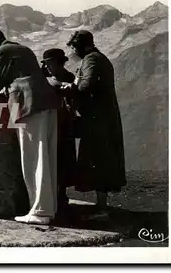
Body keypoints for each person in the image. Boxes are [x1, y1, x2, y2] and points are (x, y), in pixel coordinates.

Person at [0, 26, 59, 225]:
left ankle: (40, 211)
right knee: (46, 156)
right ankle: (47, 208)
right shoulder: (22, 49)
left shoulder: (2, 51)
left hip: (28, 104)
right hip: (47, 102)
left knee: (33, 157)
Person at [61, 30, 126, 212]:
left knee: (98, 158)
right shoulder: (99, 58)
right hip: (104, 116)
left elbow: (86, 84)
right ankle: (101, 204)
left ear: (85, 45)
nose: (74, 50)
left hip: (97, 119)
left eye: (75, 46)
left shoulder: (91, 59)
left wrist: (71, 87)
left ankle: (101, 208)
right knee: (102, 159)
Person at [40, 48, 78, 211]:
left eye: (49, 63)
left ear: (57, 63)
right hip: (51, 121)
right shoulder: (49, 79)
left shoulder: (68, 78)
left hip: (63, 123)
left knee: (63, 158)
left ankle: (61, 194)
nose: (47, 67)